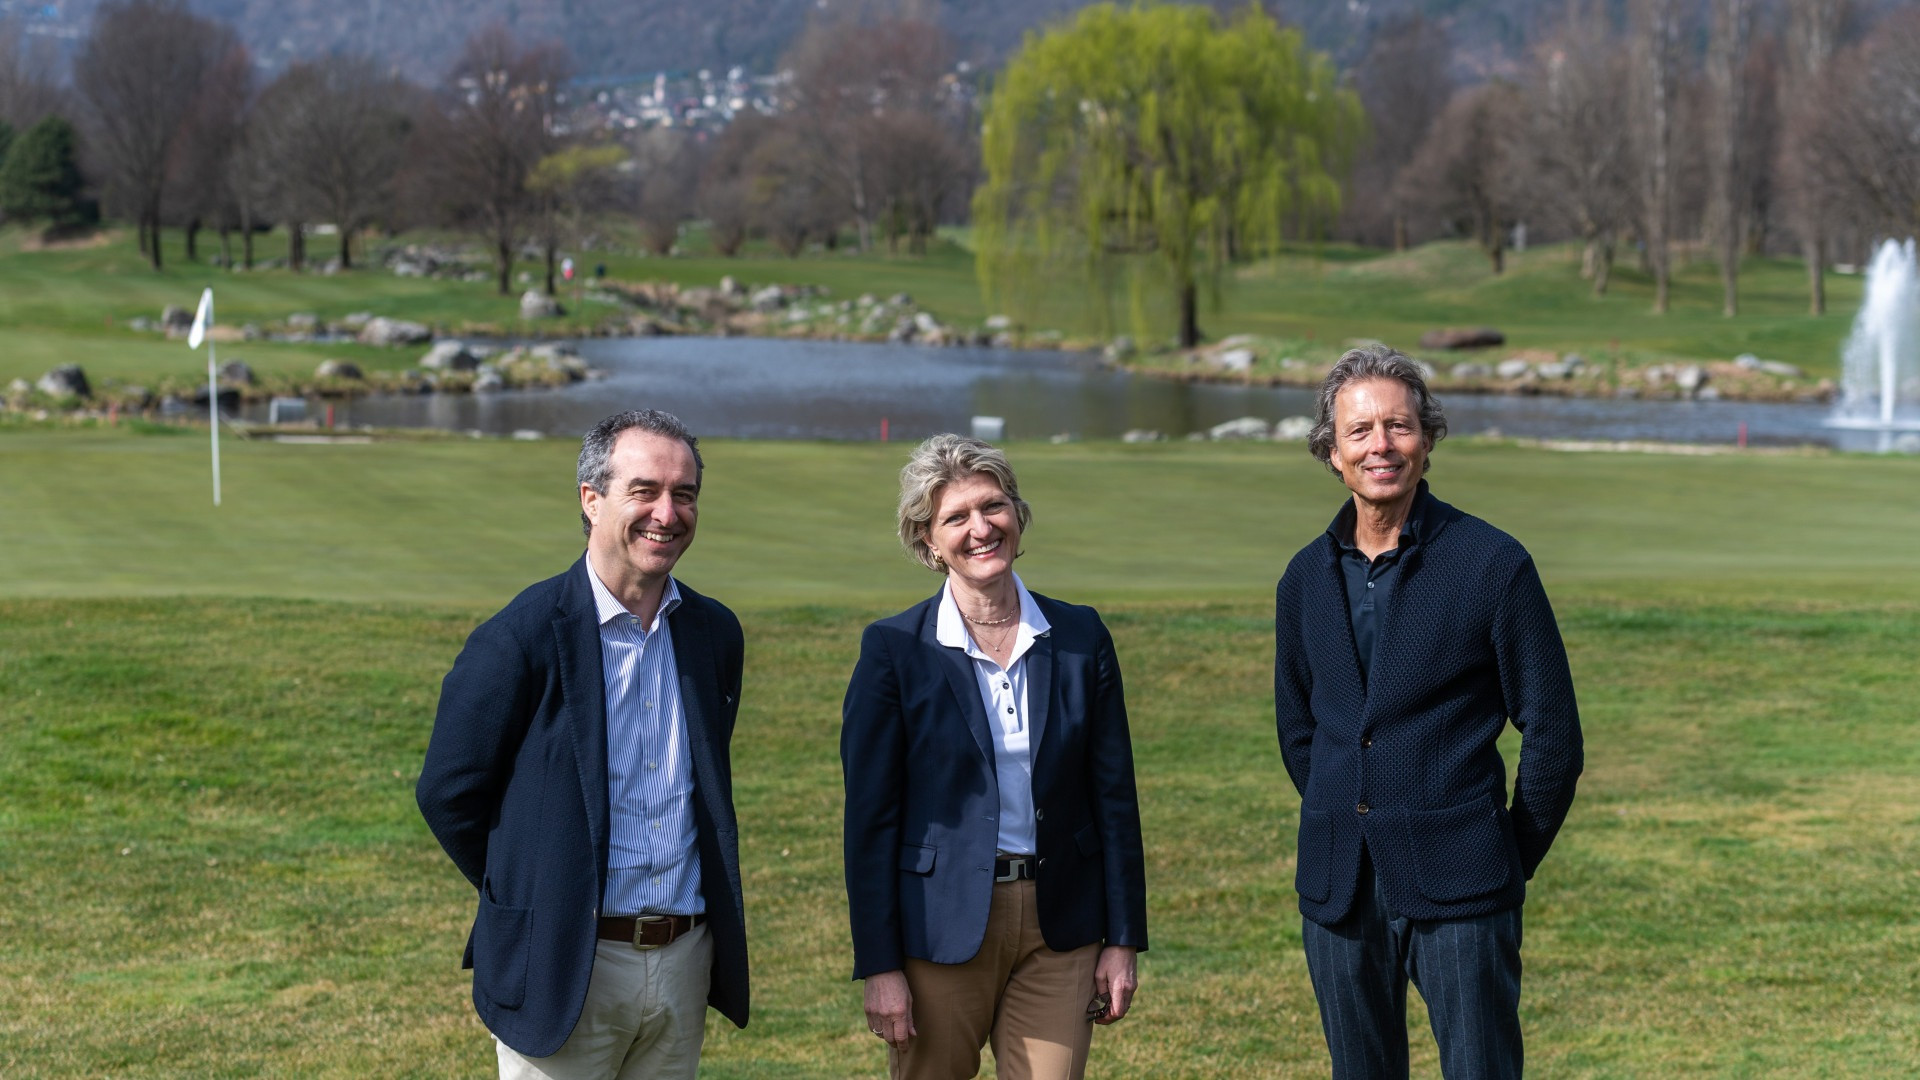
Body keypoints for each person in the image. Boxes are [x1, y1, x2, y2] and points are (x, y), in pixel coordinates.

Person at [1273, 345, 1583, 1080]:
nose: (1381, 445)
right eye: (1361, 431)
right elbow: (1299, 732)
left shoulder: (1492, 564)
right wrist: (1347, 810)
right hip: (1338, 886)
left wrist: (1506, 855)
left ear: (1429, 438)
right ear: (1331, 452)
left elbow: (1554, 737)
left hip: (1464, 886)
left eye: (1399, 426)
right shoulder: (1303, 579)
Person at [417, 409, 749, 1080]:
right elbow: (448, 794)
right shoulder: (519, 637)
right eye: (645, 490)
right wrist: (539, 886)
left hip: (684, 962)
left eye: (685, 494)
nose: (668, 511)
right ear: (592, 500)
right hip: (566, 965)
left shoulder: (714, 633)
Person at [841, 434, 1149, 1080]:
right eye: (956, 517)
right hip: (939, 929)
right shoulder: (893, 651)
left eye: (993, 506)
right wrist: (880, 966)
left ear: (1017, 513)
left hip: (1059, 926)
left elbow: (1114, 798)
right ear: (928, 540)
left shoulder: (1080, 637)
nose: (981, 528)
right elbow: (870, 823)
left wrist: (1123, 939)